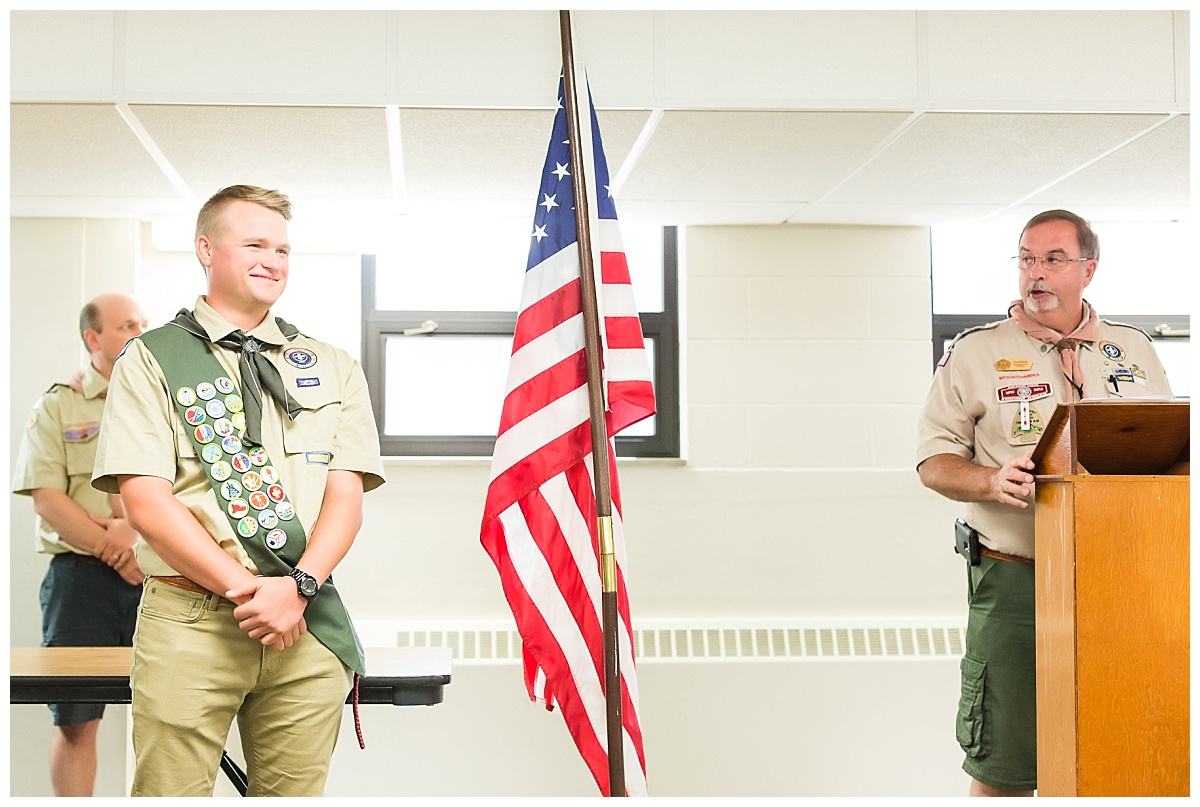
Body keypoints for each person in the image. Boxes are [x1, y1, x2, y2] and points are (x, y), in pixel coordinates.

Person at [91, 185, 386, 796]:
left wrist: (298, 588)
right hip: (192, 618)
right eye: (254, 243)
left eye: (281, 248)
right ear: (206, 249)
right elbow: (145, 502)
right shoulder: (150, 360)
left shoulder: (331, 365)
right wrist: (253, 593)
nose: (272, 260)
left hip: (304, 620)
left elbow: (346, 497)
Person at [916, 209, 1173, 796]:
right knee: (1002, 761)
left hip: (1120, 580)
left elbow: (1165, 444)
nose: (1036, 273)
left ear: (1089, 269)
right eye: (1027, 259)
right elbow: (933, 462)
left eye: (1053, 259)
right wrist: (988, 483)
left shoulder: (1132, 350)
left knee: (1120, 748)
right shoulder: (976, 353)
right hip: (1016, 581)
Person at [11, 293, 149, 797]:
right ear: (94, 338)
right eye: (127, 325)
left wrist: (137, 540)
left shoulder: (165, 401)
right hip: (80, 581)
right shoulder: (57, 403)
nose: (140, 330)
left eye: (143, 323)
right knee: (74, 720)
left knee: (170, 717)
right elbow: (47, 499)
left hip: (159, 577)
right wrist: (116, 547)